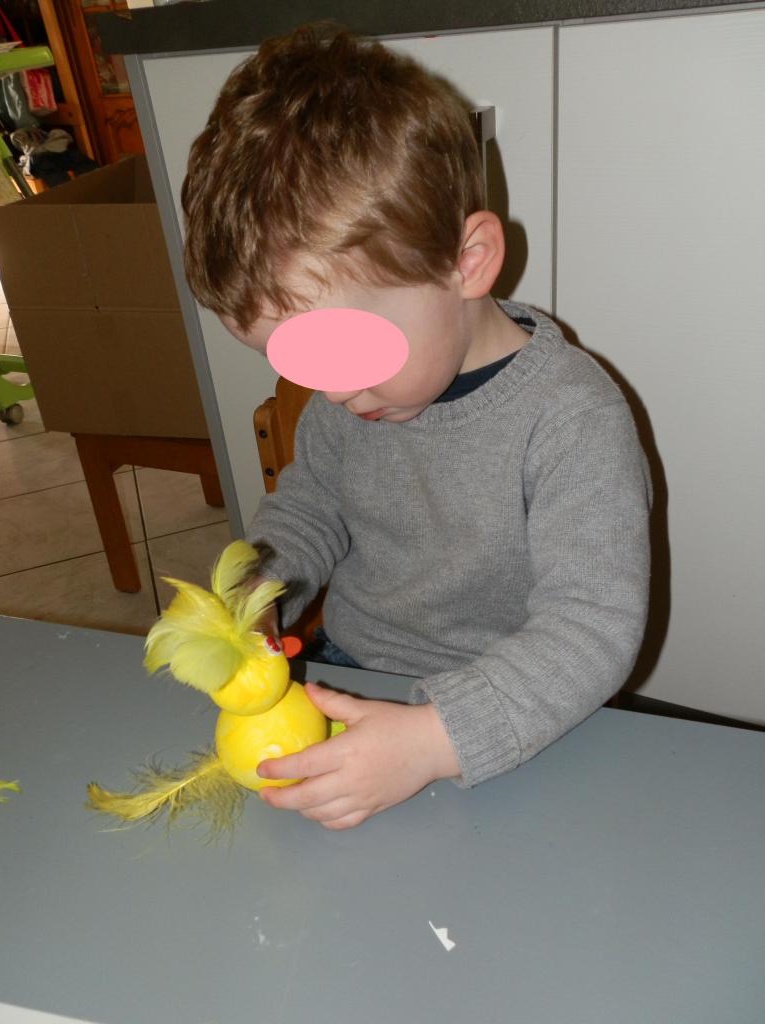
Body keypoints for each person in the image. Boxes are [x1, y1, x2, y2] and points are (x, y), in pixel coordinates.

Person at [180, 21, 652, 830]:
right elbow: (310, 509)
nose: (331, 390)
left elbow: (593, 628)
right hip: (353, 675)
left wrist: (434, 742)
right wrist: (258, 590)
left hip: (517, 717)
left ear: (468, 261)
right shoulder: (357, 395)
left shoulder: (573, 419)